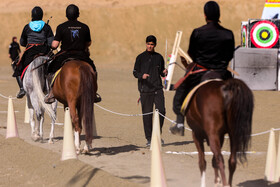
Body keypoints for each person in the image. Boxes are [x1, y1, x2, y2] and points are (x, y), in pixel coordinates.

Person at [169, 1, 235, 136]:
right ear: (218, 14)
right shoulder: (228, 34)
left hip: (201, 72)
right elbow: (230, 55)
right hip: (222, 72)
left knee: (181, 92)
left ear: (205, 15)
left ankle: (180, 122)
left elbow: (192, 53)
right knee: (236, 93)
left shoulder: (198, 32)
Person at [44, 4, 101, 104]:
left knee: (51, 69)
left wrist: (52, 46)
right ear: (78, 14)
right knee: (93, 70)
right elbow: (88, 43)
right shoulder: (85, 27)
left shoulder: (61, 27)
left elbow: (55, 45)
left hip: (65, 55)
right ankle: (94, 93)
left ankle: (51, 93)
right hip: (81, 55)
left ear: (66, 15)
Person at [133, 35, 167, 147]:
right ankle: (149, 139)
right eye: (148, 44)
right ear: (146, 44)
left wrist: (164, 72)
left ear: (155, 45)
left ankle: (157, 135)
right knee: (147, 115)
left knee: (161, 111)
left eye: (152, 44)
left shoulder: (159, 57)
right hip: (145, 90)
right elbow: (134, 72)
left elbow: (162, 73)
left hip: (157, 88)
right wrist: (141, 76)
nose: (150, 46)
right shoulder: (140, 57)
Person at [13, 6, 54, 99]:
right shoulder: (46, 27)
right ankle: (53, 87)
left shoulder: (27, 27)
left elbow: (22, 43)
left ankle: (22, 88)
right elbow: (51, 43)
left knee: (18, 67)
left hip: (30, 52)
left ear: (32, 15)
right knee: (55, 65)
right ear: (42, 15)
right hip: (44, 50)